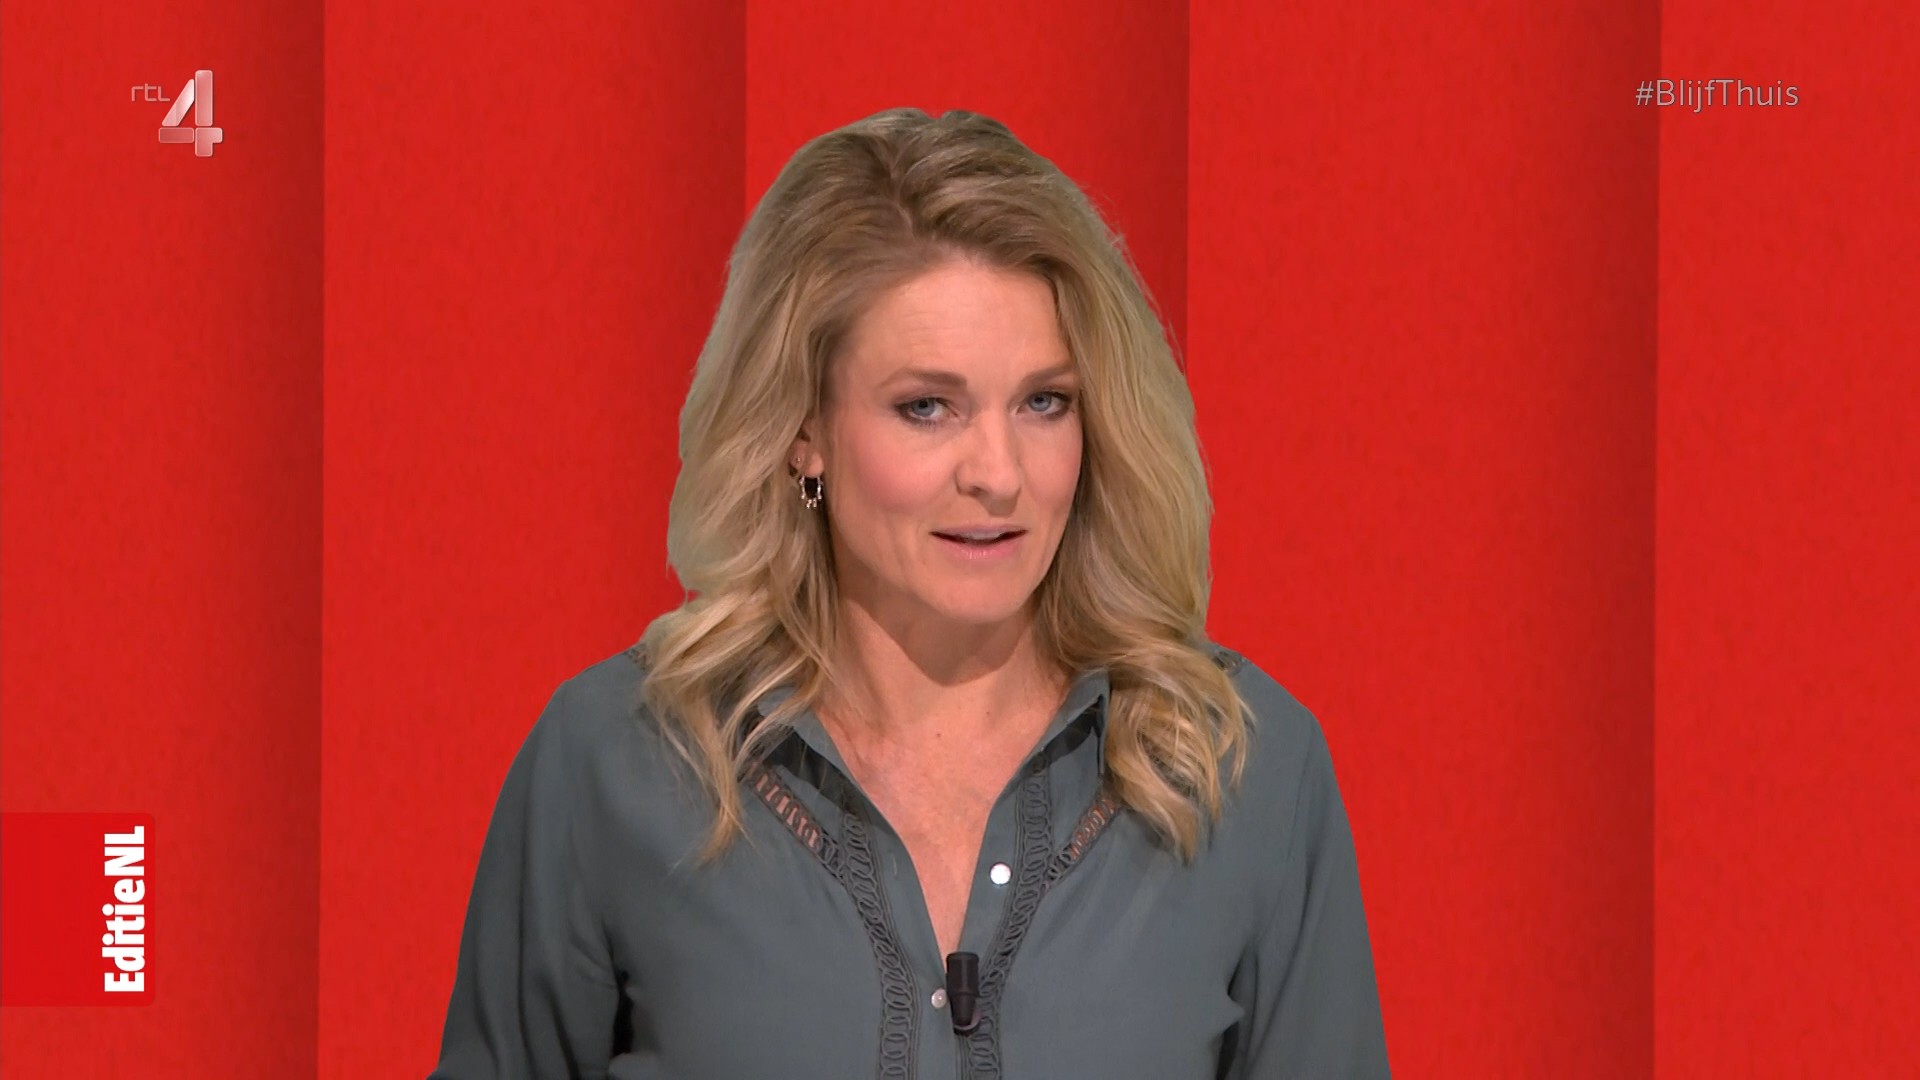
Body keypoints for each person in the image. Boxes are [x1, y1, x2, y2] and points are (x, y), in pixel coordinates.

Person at [429, 106, 1389, 1079]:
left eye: (1044, 402)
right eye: (927, 407)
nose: (999, 474)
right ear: (804, 430)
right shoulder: (617, 763)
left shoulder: (1240, 769)